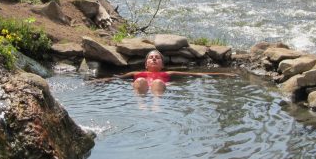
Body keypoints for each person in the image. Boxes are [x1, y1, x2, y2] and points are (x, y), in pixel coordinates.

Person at [95, 49, 237, 95]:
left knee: (157, 82)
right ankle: (141, 105)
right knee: (140, 81)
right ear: (146, 64)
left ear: (162, 64)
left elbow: (195, 74)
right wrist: (97, 81)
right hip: (142, 88)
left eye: (157, 58)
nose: (154, 59)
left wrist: (222, 74)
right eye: (151, 58)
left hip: (158, 89)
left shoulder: (167, 73)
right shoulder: (136, 74)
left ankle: (157, 105)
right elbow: (115, 79)